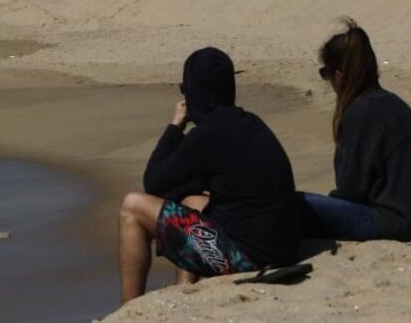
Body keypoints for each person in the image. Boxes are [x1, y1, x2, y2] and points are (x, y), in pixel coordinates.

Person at [118, 47, 300, 303]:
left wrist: (175, 126)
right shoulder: (250, 122)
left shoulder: (208, 135)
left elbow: (154, 183)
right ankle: (184, 290)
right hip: (281, 248)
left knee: (132, 207)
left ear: (195, 92)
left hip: (249, 257)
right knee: (192, 202)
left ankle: (127, 310)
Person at [300, 18, 411, 242]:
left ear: (339, 75)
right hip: (400, 213)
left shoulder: (361, 112)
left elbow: (352, 189)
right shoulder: (395, 104)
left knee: (295, 203)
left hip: (391, 220)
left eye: (326, 73)